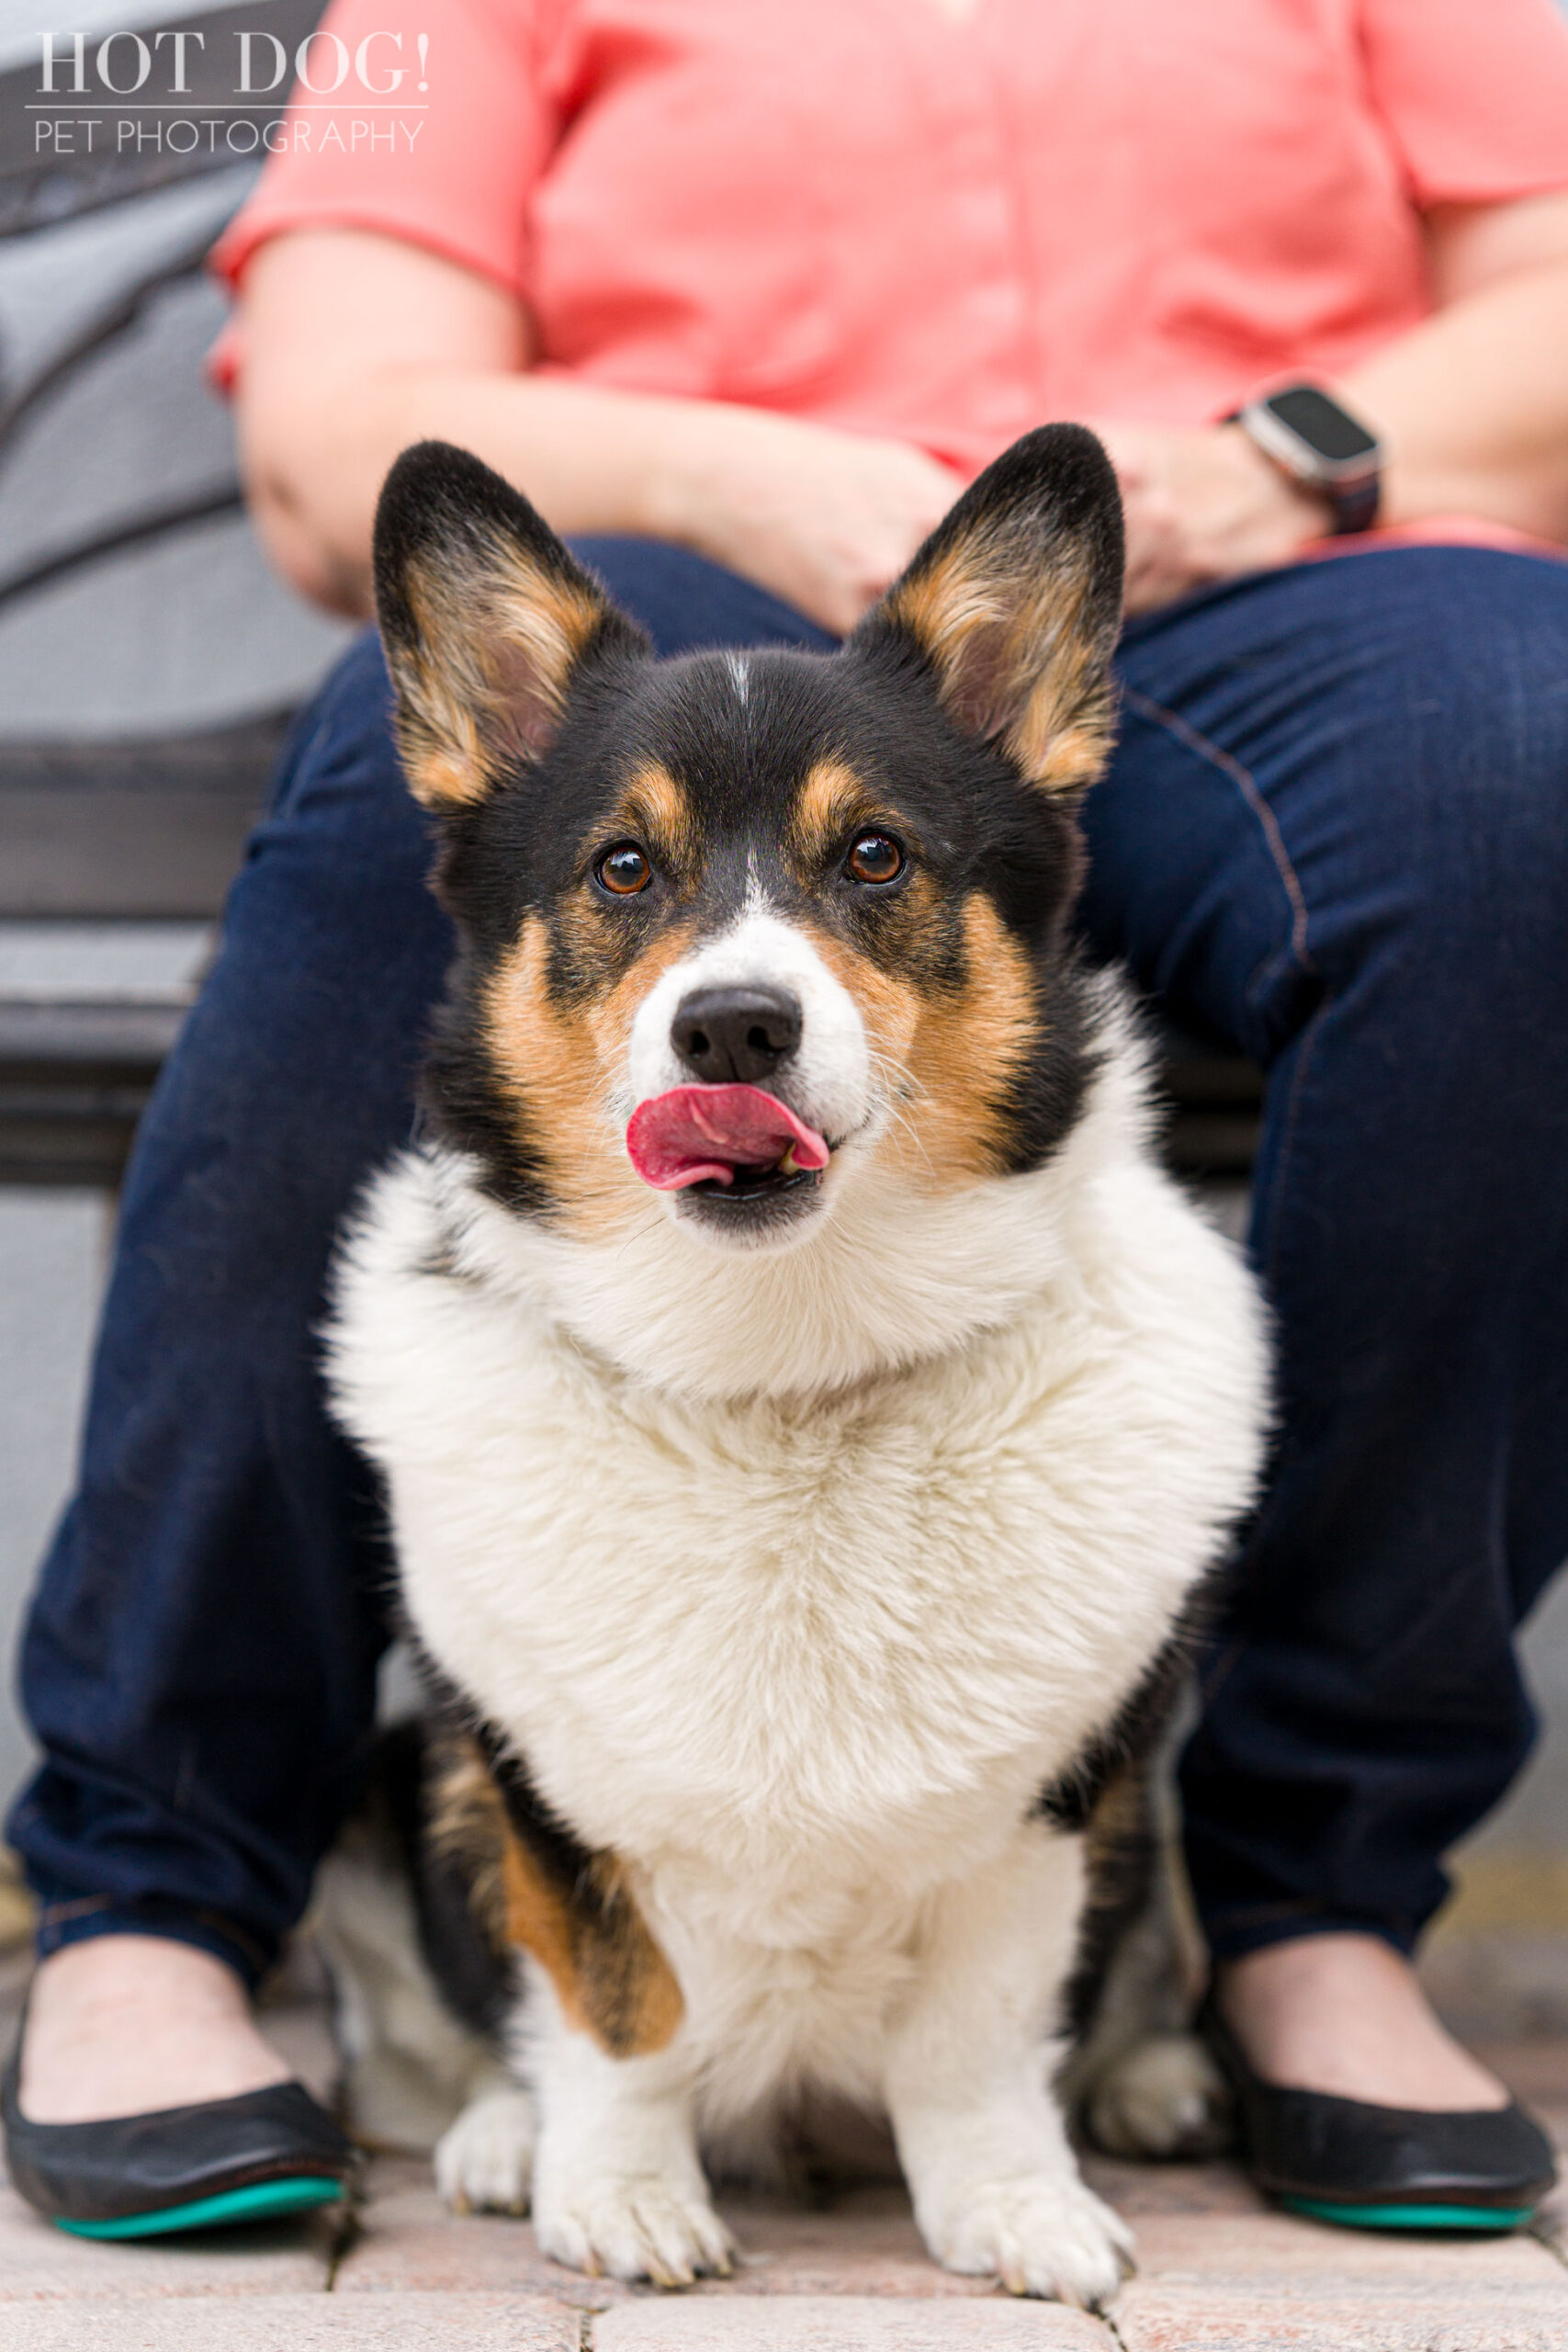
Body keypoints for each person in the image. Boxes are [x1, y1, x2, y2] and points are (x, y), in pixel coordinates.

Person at [6, 0, 1568, 2245]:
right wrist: (721, 464)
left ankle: (1312, 1896)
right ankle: (154, 1888)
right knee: (396, 802)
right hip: (695, 578)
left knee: (1522, 784)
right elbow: (334, 432)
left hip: (1272, 579)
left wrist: (1283, 451)